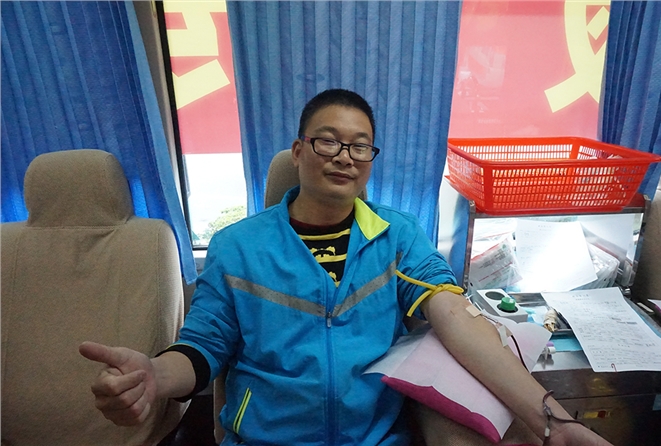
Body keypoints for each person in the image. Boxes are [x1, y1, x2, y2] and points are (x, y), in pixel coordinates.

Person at [80, 89, 612, 446]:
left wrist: (553, 421)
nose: (345, 156)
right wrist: (155, 376)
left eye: (360, 146)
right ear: (299, 150)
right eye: (328, 140)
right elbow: (203, 347)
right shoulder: (238, 246)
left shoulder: (396, 236)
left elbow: (455, 317)